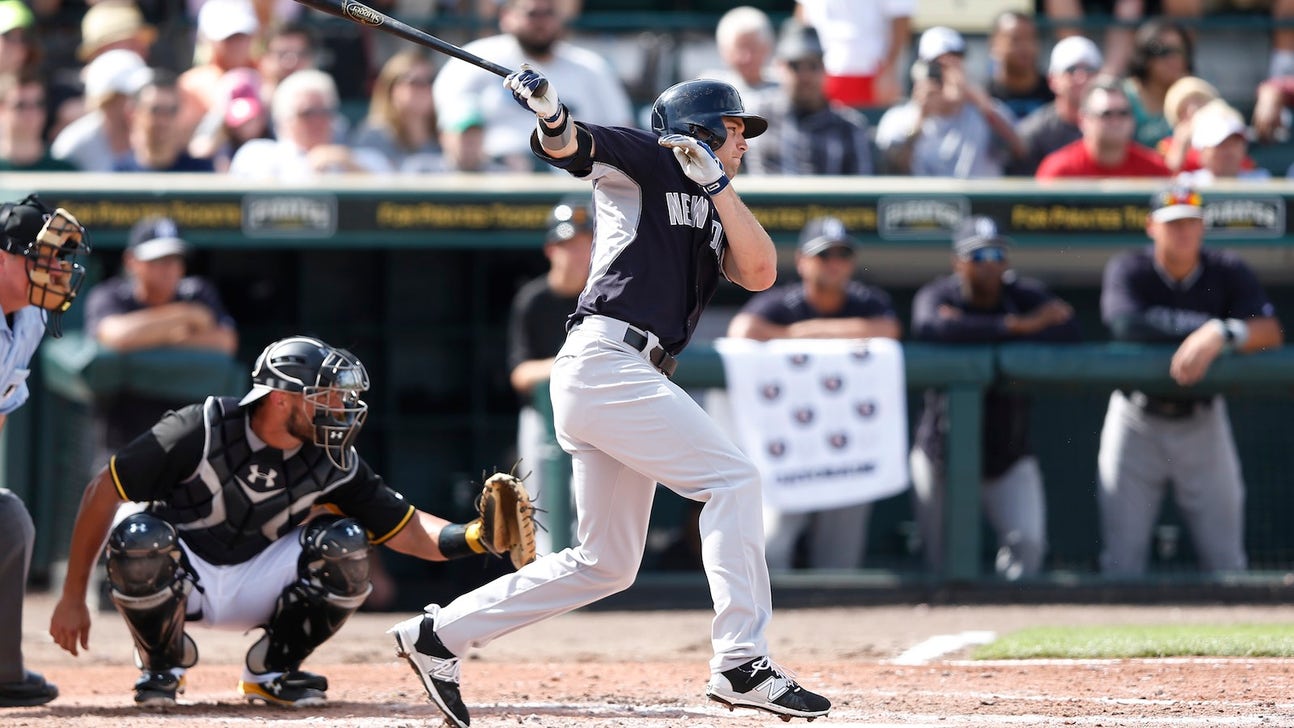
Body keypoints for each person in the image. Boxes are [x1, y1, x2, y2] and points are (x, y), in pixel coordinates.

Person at [388, 68, 831, 726]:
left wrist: (717, 182)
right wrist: (550, 113)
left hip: (630, 374)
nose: (743, 142)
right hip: (608, 358)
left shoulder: (716, 198)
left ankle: (438, 635)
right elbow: (571, 147)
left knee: (606, 563)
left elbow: (761, 271)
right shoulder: (645, 159)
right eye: (734, 130)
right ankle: (742, 660)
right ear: (700, 129)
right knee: (733, 480)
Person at [48, 335, 532, 708]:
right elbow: (102, 492)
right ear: (280, 398)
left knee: (347, 544)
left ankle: (273, 672)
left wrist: (475, 536)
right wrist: (72, 596)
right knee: (138, 536)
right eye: (327, 397)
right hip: (184, 574)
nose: (341, 408)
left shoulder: (335, 459)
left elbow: (405, 527)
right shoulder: (202, 427)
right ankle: (162, 663)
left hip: (260, 578)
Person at [1097, 185, 1283, 576]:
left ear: (1203, 227)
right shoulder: (1130, 268)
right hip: (1136, 419)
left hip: (1202, 419)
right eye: (1173, 223)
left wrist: (1221, 333)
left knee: (1227, 562)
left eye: (1191, 223)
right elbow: (1124, 324)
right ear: (1152, 227)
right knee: (1121, 563)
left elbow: (1270, 331)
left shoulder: (1226, 270)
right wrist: (1193, 337)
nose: (1183, 231)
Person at [909, 216, 1081, 580]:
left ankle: (1009, 622)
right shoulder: (940, 294)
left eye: (996, 254)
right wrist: (1016, 326)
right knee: (939, 560)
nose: (989, 264)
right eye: (978, 255)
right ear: (958, 262)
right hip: (942, 455)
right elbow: (930, 326)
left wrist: (976, 328)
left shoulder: (1022, 294)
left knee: (1029, 546)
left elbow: (1068, 326)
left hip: (1008, 454)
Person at [726, 216, 900, 571]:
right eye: (825, 255)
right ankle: (770, 621)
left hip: (848, 440)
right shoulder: (782, 302)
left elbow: (888, 329)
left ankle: (833, 625)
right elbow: (742, 331)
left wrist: (809, 331)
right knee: (772, 546)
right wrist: (804, 334)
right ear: (803, 261)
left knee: (840, 558)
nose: (834, 264)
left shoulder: (866, 300)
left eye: (842, 255)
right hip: (789, 444)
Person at [0, 194, 91, 707]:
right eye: (43, 257)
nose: (58, 269)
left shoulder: (29, 318)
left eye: (60, 258)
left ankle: (2, 670)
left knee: (8, 518)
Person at [81, 215, 236, 467]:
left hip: (190, 437)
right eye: (157, 260)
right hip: (123, 435)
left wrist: (148, 335)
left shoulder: (197, 292)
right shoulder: (111, 295)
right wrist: (186, 316)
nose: (168, 268)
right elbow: (118, 336)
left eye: (174, 259)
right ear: (131, 261)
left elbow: (225, 341)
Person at [430, 0, 632, 172]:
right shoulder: (477, 58)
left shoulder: (590, 67)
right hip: (494, 176)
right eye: (532, 14)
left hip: (571, 177)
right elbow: (452, 123)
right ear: (507, 16)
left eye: (549, 13)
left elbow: (621, 134)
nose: (542, 22)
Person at [507, 194, 594, 555]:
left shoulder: (605, 293)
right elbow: (520, 374)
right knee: (539, 507)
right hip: (544, 418)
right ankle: (545, 579)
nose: (576, 252)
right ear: (550, 250)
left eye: (584, 243)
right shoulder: (534, 300)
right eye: (567, 244)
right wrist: (570, 360)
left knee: (585, 506)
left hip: (594, 415)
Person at [743, 20, 873, 176]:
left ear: (824, 68)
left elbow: (860, 192)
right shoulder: (755, 118)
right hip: (761, 201)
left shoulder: (850, 127)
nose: (805, 75)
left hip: (829, 201)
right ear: (779, 66)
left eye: (813, 65)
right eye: (795, 65)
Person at [227, 69, 390, 180]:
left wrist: (347, 163)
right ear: (284, 119)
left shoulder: (364, 159)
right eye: (307, 113)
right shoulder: (258, 155)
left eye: (324, 112)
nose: (318, 121)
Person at [1036, 79, 1171, 179]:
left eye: (1123, 113)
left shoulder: (1155, 168)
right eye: (1106, 114)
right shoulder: (1059, 170)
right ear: (1084, 120)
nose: (1116, 121)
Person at [1011, 35, 1102, 175]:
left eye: (1089, 70)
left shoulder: (1118, 122)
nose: (1082, 77)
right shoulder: (1033, 131)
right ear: (1052, 80)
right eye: (1071, 70)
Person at [794, 0, 912, 107]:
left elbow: (901, 18)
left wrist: (889, 71)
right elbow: (802, 12)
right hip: (822, 69)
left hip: (872, 72)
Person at [51, 49, 152, 172]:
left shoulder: (157, 137)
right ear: (108, 101)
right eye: (131, 96)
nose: (139, 103)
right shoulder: (72, 146)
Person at [352, 50, 445, 174]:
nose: (426, 88)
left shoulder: (447, 134)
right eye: (415, 82)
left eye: (431, 80)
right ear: (392, 89)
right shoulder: (374, 135)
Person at [116, 70, 216, 172]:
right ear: (134, 114)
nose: (163, 121)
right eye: (156, 110)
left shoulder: (201, 173)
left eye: (172, 111)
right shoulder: (118, 177)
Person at [1122, 19, 1194, 149]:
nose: (1174, 59)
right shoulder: (1122, 97)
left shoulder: (1194, 94)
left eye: (1180, 51)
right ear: (1145, 55)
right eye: (1164, 51)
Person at [697, 6, 778, 101]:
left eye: (753, 48)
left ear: (766, 47)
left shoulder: (787, 88)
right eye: (740, 48)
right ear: (725, 50)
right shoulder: (709, 89)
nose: (747, 57)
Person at [0, 72, 78, 171]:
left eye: (39, 104)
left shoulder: (63, 171)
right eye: (21, 105)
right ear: (1, 110)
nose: (32, 113)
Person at [986, 10, 1053, 121]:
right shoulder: (985, 98)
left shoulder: (1054, 94)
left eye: (1031, 38)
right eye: (1015, 40)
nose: (1025, 47)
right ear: (993, 45)